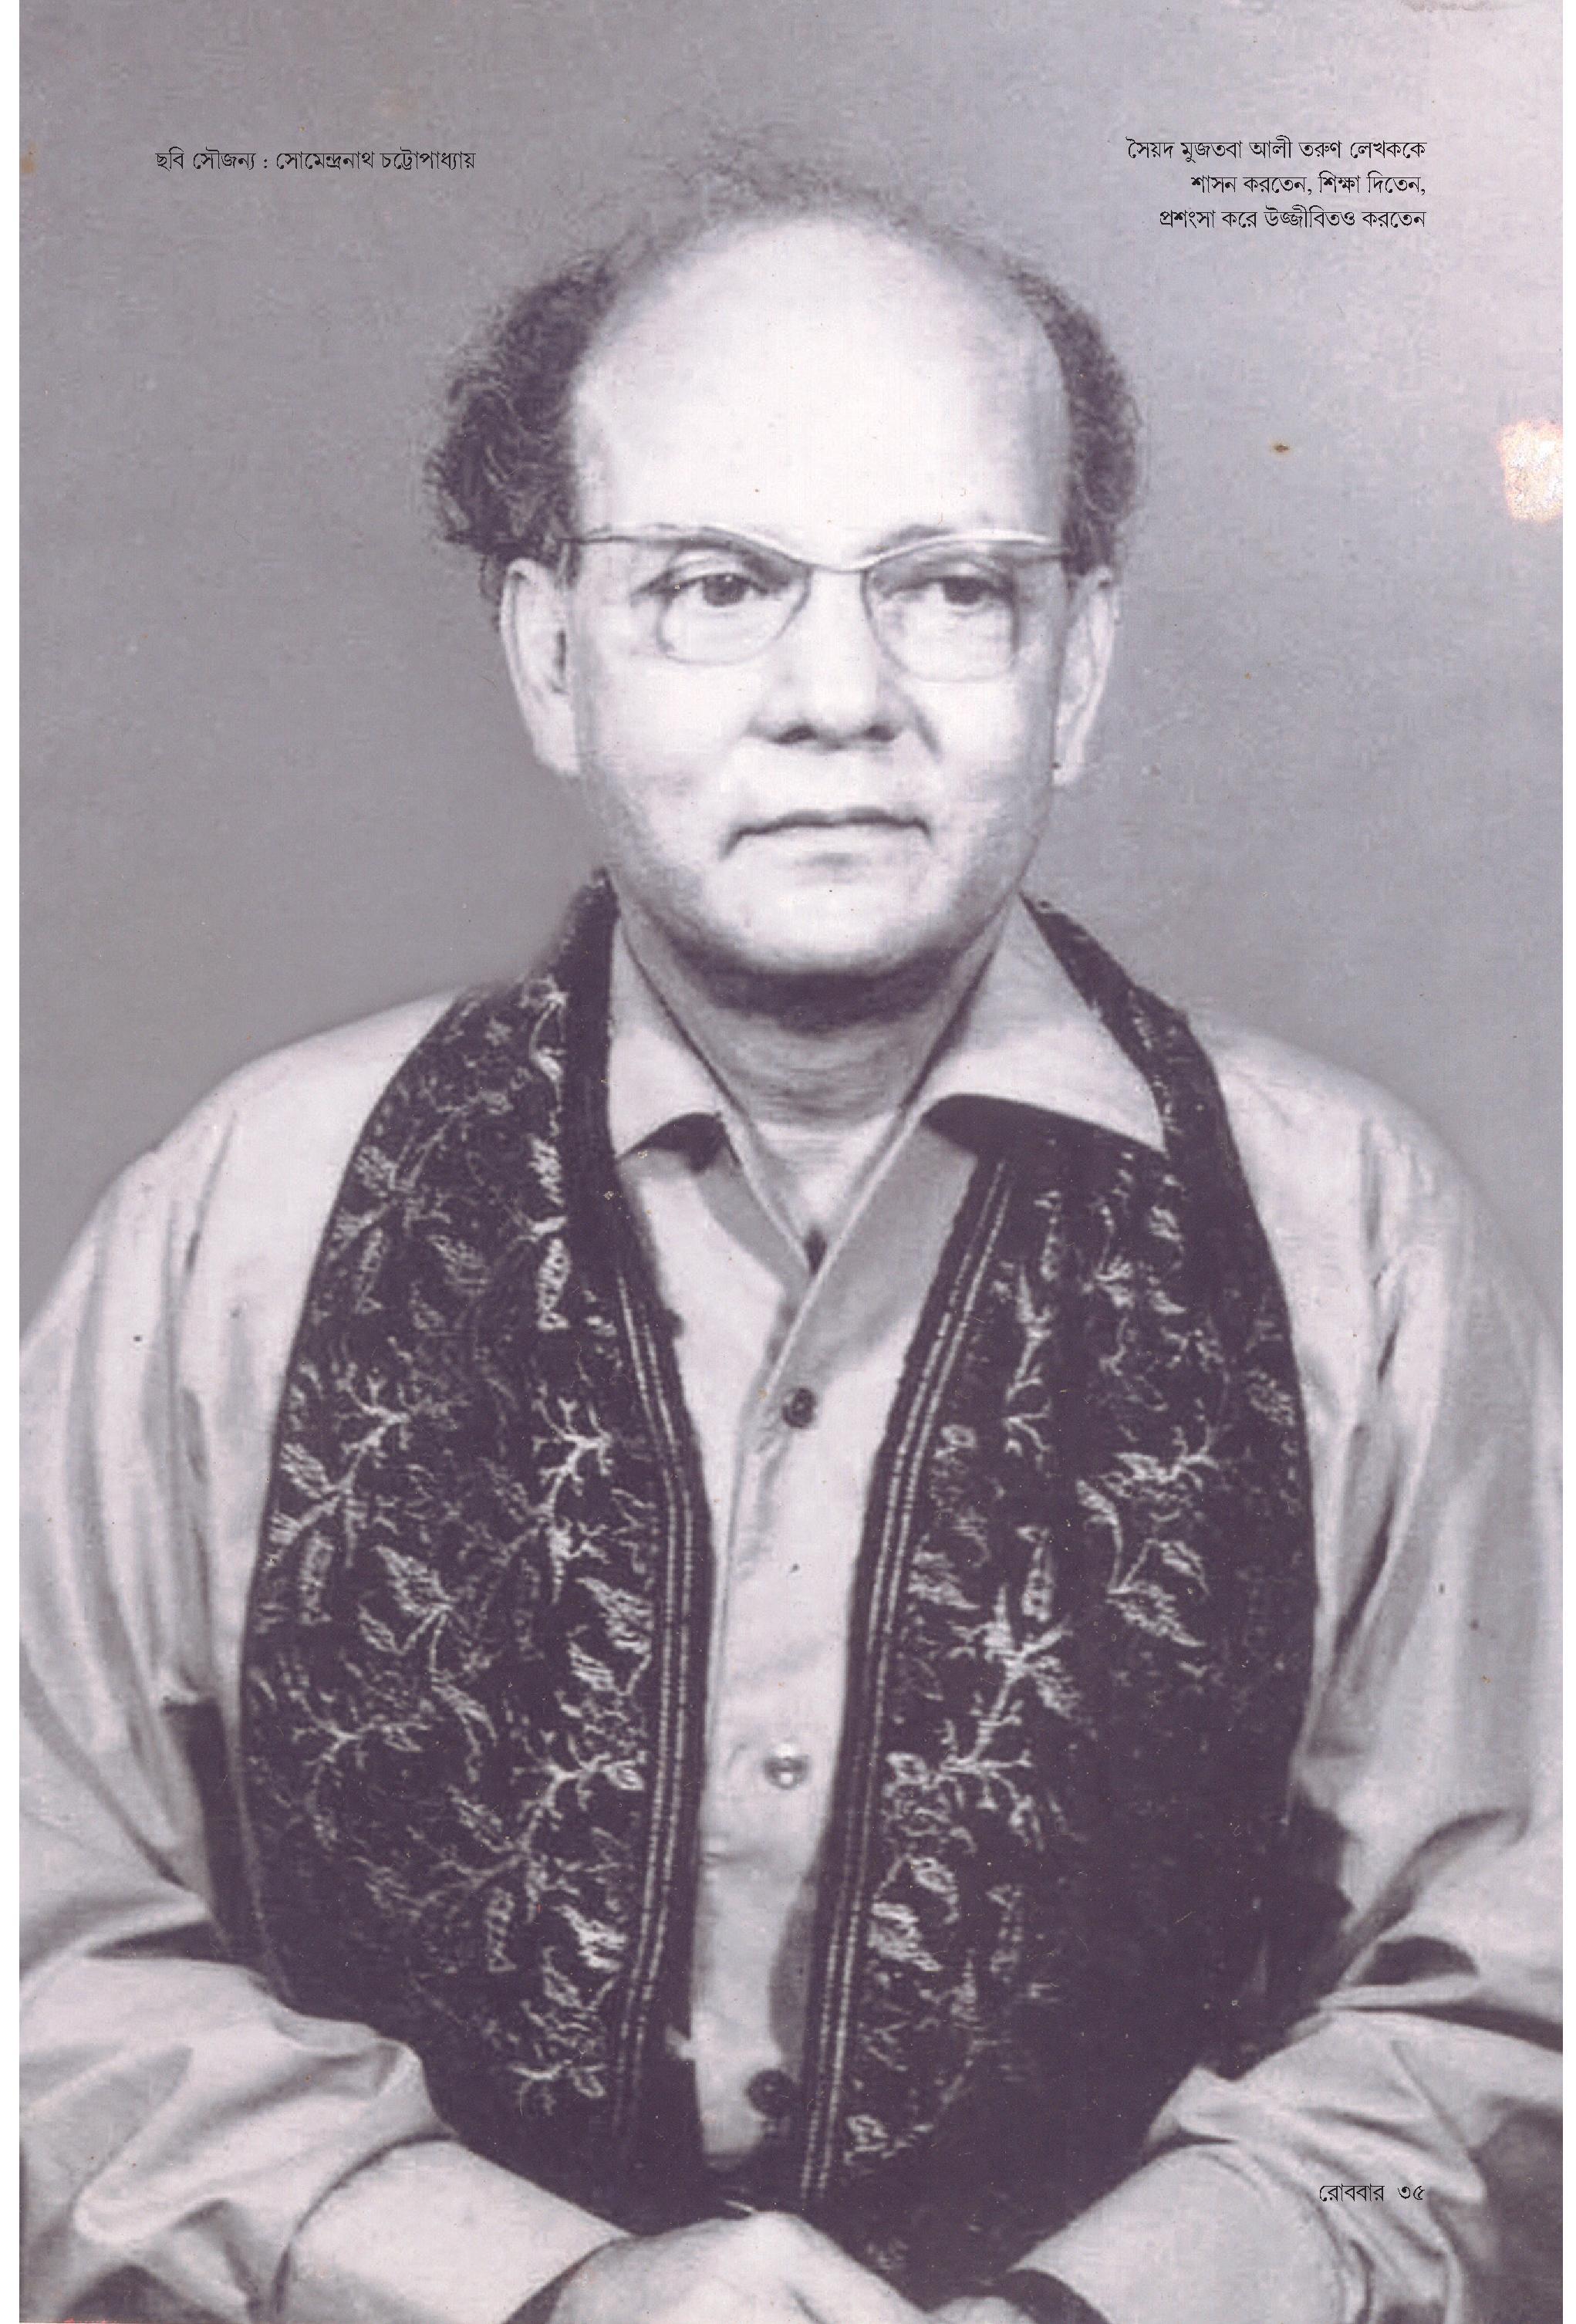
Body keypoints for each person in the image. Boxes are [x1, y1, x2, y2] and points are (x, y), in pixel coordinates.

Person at [22, 171, 1557, 2324]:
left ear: (1079, 662)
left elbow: (1509, 1996)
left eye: (952, 587)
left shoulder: (1361, 1244)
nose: (838, 695)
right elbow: (35, 1941)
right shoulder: (237, 1221)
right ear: (550, 653)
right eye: (718, 582)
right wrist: (528, 2288)